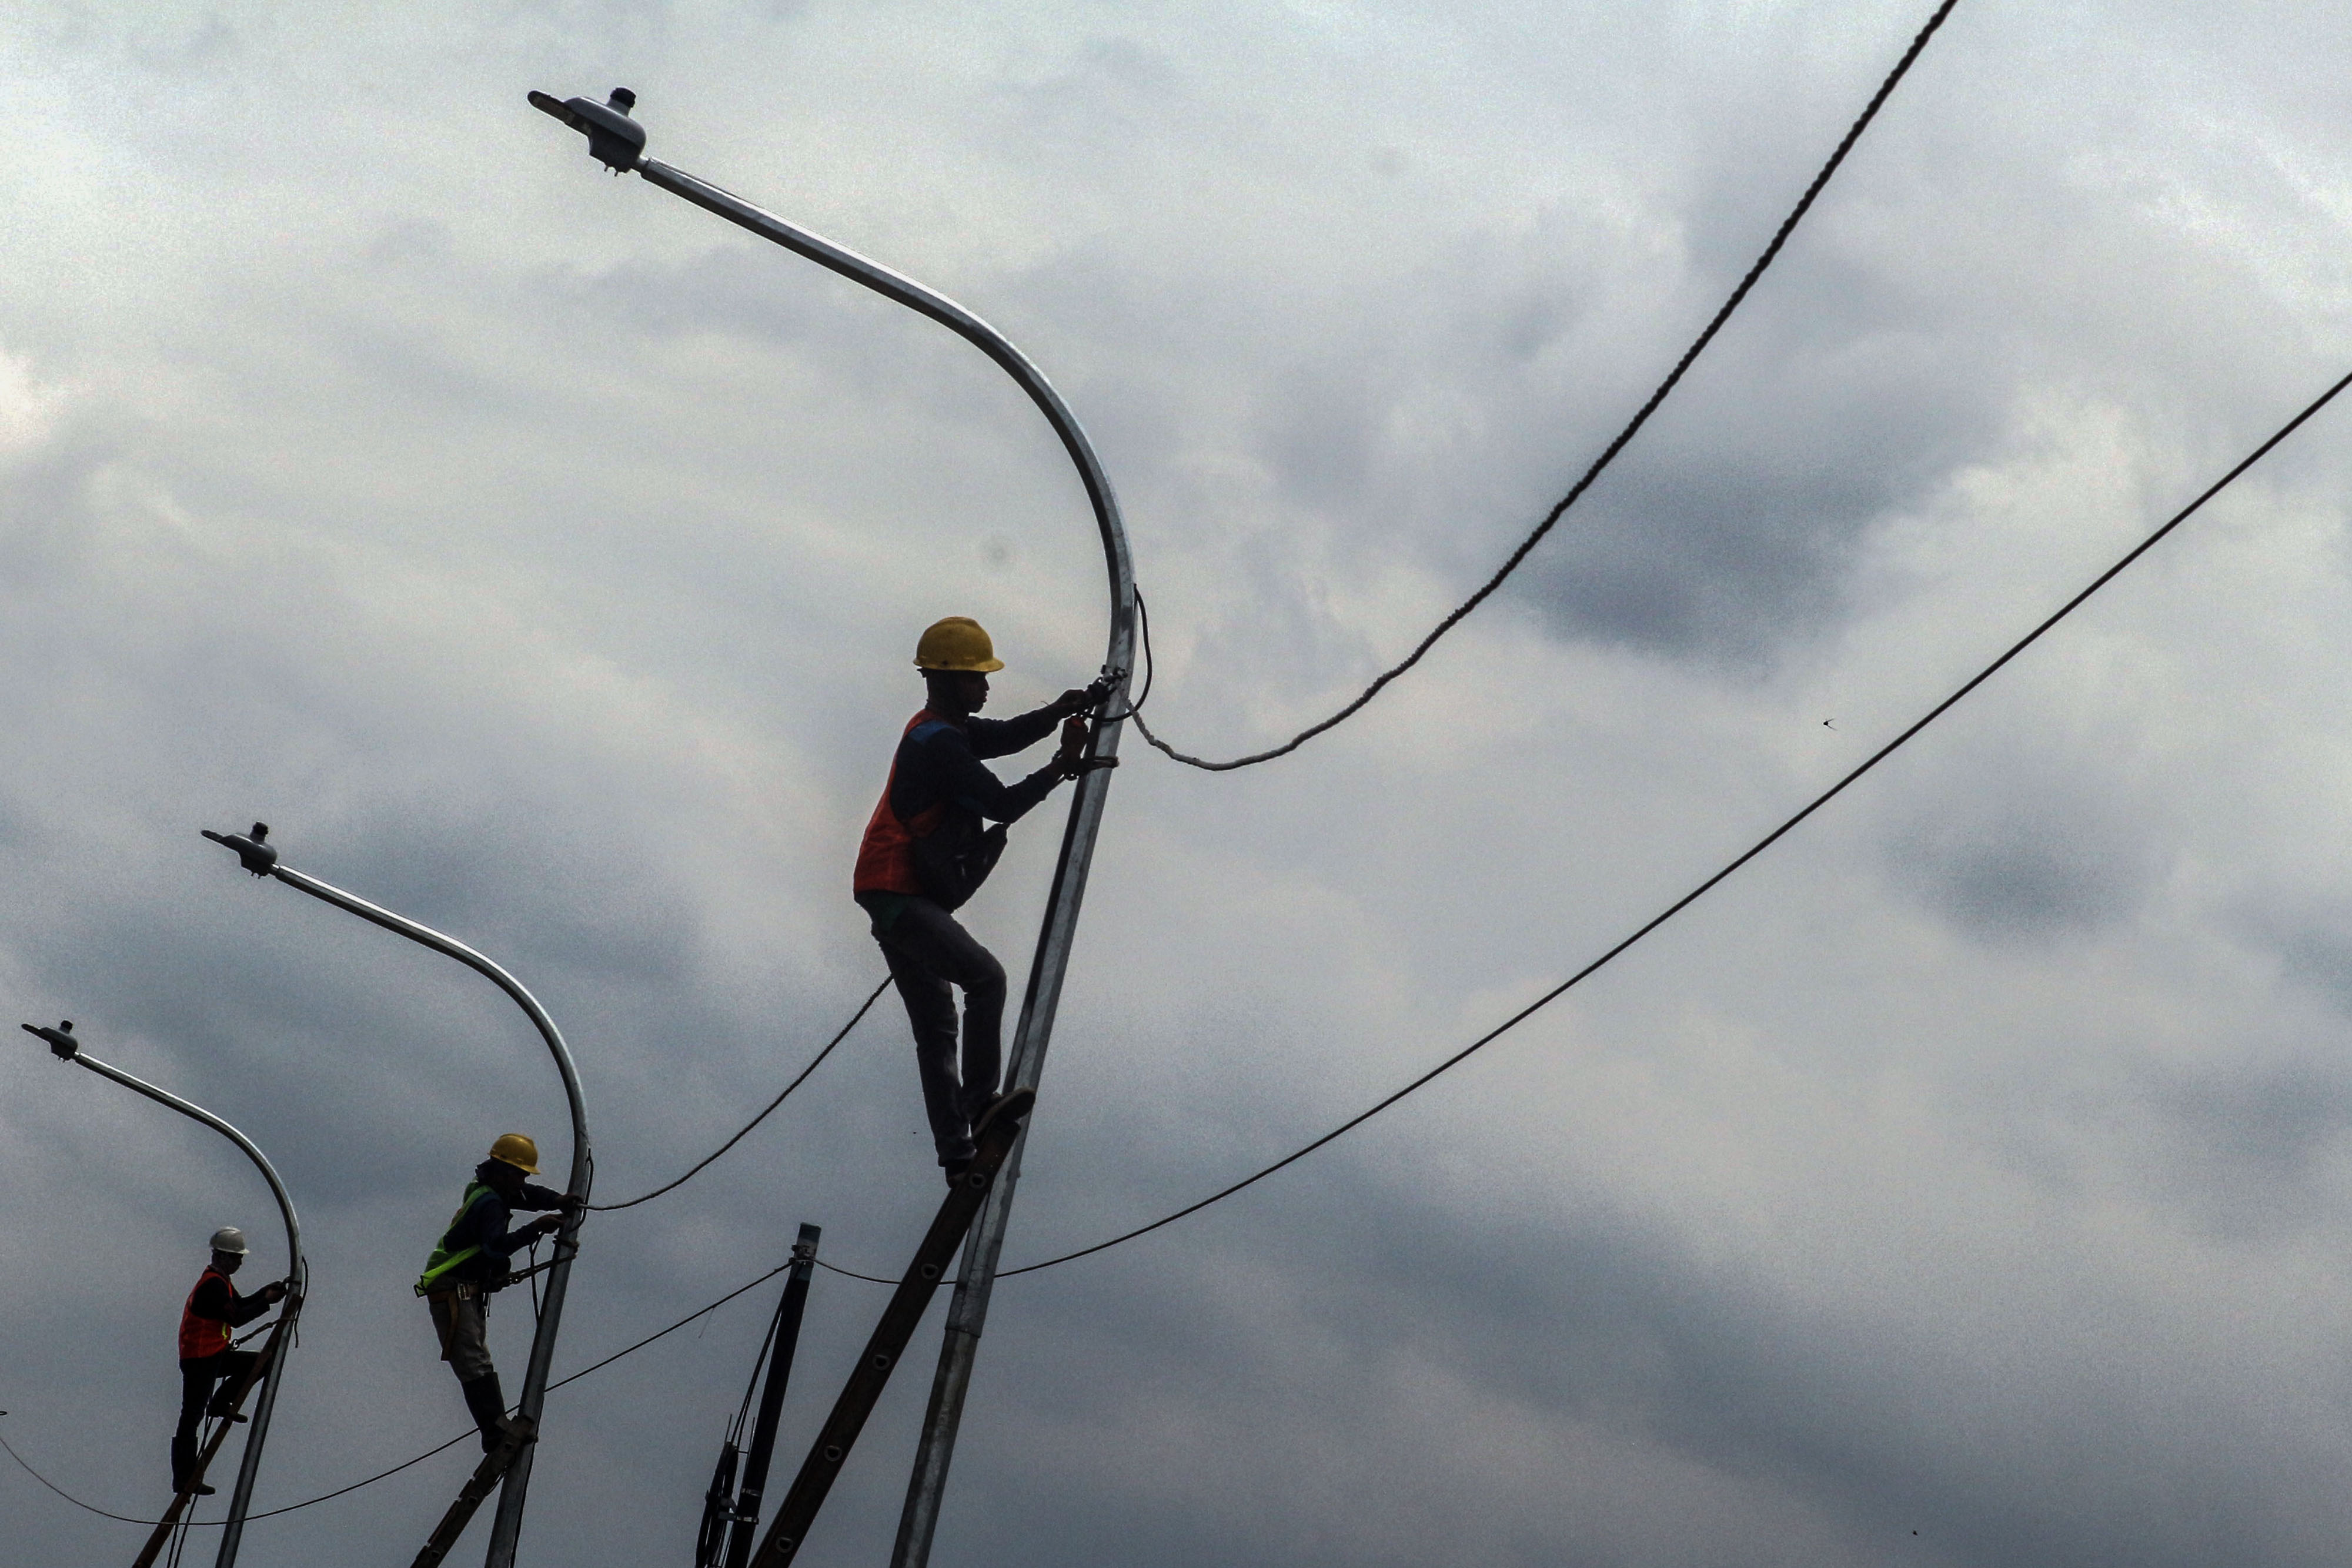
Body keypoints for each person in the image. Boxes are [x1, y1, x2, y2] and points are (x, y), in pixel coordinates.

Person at [854, 616, 1114, 1183]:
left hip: (890, 892)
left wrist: (1066, 708)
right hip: (899, 892)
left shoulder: (938, 730)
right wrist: (1062, 765)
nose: (988, 687)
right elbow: (1003, 804)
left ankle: (956, 1153)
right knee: (986, 979)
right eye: (978, 679)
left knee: (937, 1027)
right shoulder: (940, 744)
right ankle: (978, 1107)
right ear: (950, 682)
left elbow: (1004, 735)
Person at [413, 1134, 579, 1452]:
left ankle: (496, 1426)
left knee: (478, 1357)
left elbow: (524, 1195)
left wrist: (555, 1200)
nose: (523, 1179)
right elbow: (495, 1248)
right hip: (451, 1285)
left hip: (462, 1285)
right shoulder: (489, 1203)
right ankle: (494, 1430)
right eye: (519, 1173)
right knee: (472, 1360)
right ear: (502, 1170)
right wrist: (537, 1229)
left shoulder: (487, 1190)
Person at [173, 1226, 287, 1496]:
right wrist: (266, 1303)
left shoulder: (220, 1281)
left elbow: (240, 1304)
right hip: (200, 1359)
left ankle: (221, 1403)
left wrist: (265, 1294)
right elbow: (237, 1317)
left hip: (212, 1355)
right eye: (237, 1258)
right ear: (223, 1257)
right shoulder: (213, 1285)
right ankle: (184, 1478)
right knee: (191, 1417)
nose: (240, 1263)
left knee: (261, 1363)